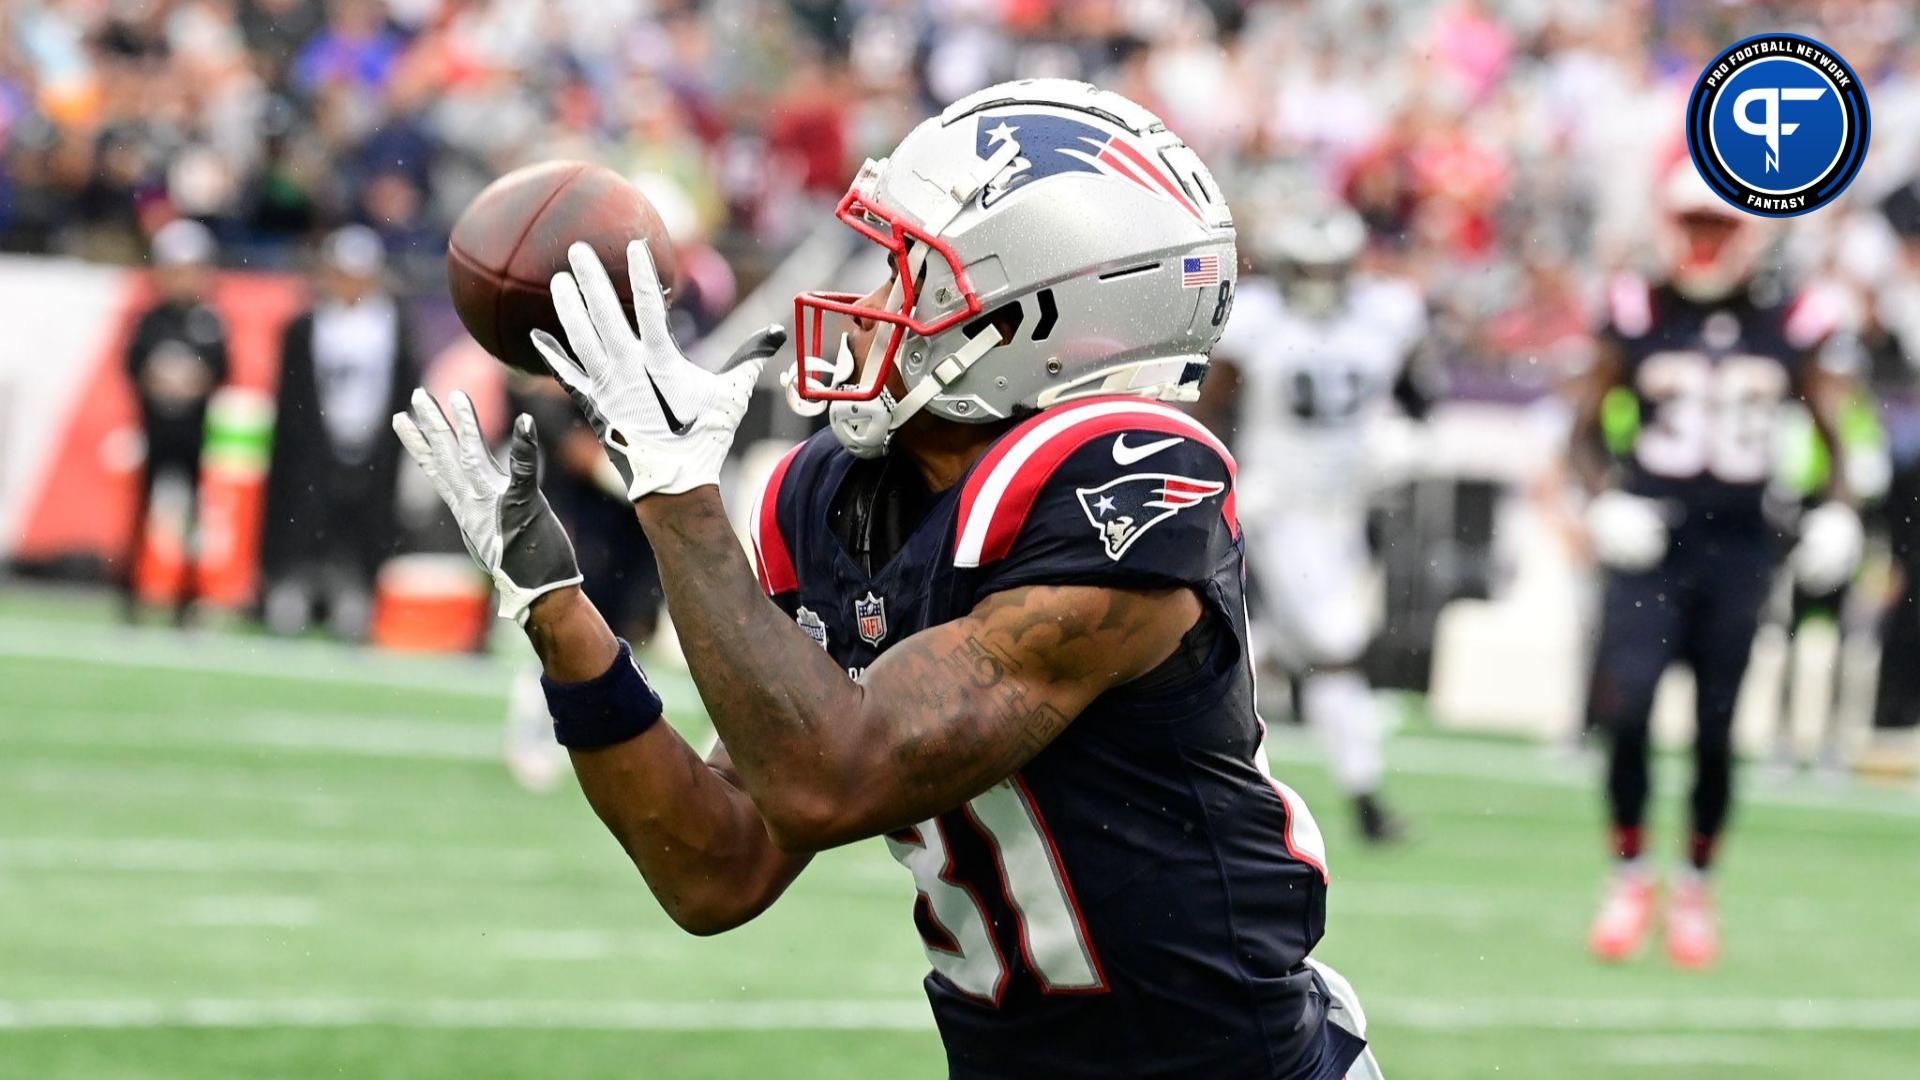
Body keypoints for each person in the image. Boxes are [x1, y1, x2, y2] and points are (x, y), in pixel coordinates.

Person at [395, 81, 1380, 1079]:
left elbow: (830, 782)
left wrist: (676, 496)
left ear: (1034, 314)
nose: (871, 307)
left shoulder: (1121, 478)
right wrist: (558, 613)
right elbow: (716, 866)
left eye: (914, 274)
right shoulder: (838, 493)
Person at [1568, 167, 1859, 969]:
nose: (1702, 241)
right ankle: (1629, 873)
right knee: (1625, 710)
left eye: (1718, 226)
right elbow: (1583, 430)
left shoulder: (1792, 315)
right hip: (1650, 540)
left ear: (1752, 231)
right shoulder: (1639, 308)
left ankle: (1695, 883)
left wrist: (1838, 507)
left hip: (1741, 547)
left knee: (1719, 726)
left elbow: (1833, 429)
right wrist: (1603, 500)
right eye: (1691, 223)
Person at [1205, 200, 1437, 845]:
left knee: (1298, 650)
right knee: (1327, 648)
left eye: (1329, 268)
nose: (1316, 282)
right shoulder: (1256, 320)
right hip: (1272, 503)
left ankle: (1354, 795)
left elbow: (1422, 396)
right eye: (1305, 268)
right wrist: (1229, 476)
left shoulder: (1386, 317)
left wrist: (1408, 439)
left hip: (1344, 508)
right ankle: (1357, 797)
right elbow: (1212, 404)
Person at [260, 225, 414, 640]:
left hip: (373, 446)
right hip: (317, 445)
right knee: (304, 521)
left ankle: (355, 602)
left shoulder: (393, 325)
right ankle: (293, 597)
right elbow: (292, 395)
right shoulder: (308, 325)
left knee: (363, 530)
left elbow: (403, 389)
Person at [123, 219, 230, 626]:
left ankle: (186, 597)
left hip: (192, 434)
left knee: (191, 521)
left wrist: (192, 383)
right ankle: (132, 592)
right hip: (155, 431)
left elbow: (220, 370)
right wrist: (158, 381)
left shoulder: (209, 322)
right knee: (142, 516)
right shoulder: (152, 320)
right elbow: (132, 365)